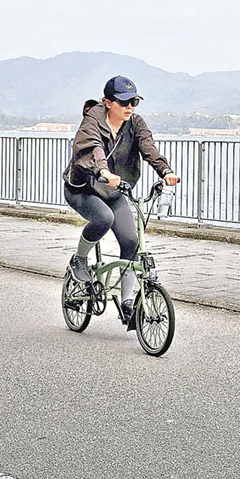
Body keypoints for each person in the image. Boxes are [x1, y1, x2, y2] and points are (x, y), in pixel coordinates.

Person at [62, 75, 180, 321]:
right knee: (103, 218)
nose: (129, 107)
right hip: (84, 187)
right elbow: (92, 148)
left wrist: (165, 171)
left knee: (131, 241)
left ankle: (127, 303)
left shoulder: (135, 123)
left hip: (114, 191)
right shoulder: (92, 120)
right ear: (107, 102)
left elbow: (149, 149)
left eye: (134, 102)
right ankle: (79, 259)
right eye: (123, 102)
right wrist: (103, 171)